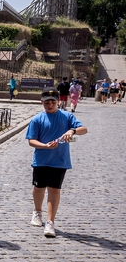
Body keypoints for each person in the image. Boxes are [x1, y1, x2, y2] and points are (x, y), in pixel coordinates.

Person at [26, 87, 87, 237]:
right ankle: (37, 211)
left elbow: (84, 129)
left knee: (54, 189)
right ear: (42, 102)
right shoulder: (37, 119)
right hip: (41, 160)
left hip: (60, 160)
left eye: (53, 102)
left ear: (58, 102)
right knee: (39, 188)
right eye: (47, 102)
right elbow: (31, 141)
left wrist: (72, 131)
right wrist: (45, 146)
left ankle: (50, 222)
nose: (50, 105)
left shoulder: (67, 117)